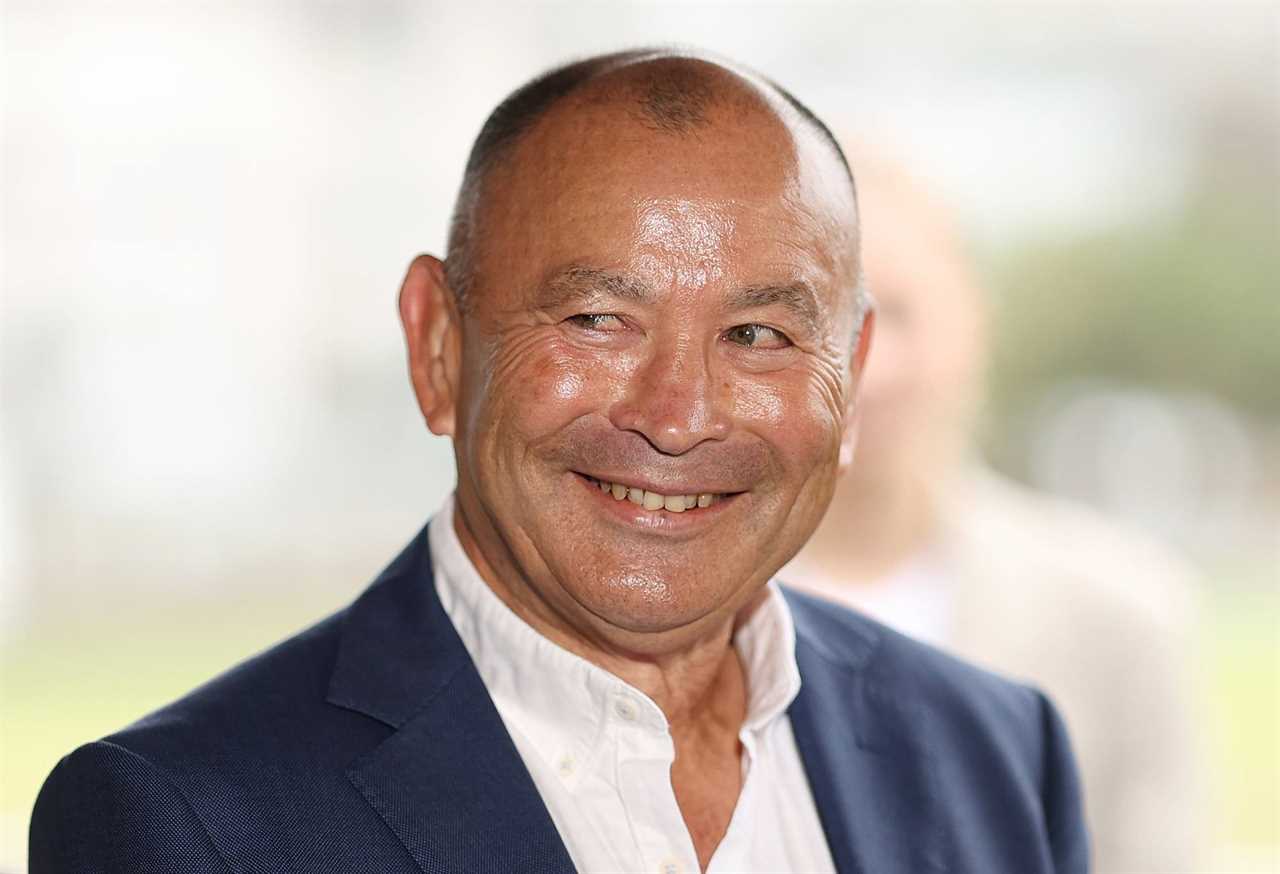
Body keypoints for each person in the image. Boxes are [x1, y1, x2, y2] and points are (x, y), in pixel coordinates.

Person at [30, 50, 1089, 873]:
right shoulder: (184, 822)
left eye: (758, 334)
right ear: (437, 346)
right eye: (596, 318)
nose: (677, 417)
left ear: (849, 378)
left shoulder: (991, 750)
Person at [782, 150, 1201, 873]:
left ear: (973, 321)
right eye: (822, 322)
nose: (867, 370)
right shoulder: (682, 612)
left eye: (899, 316)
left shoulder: (1119, 609)